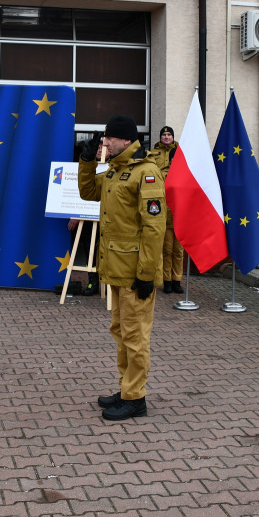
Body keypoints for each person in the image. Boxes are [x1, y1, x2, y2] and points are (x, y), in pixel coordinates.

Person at [78, 115, 166, 420]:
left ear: (125, 141)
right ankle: (126, 388)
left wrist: (145, 275)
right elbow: (88, 192)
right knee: (121, 331)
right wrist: (87, 161)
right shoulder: (116, 172)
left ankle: (136, 399)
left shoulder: (147, 173)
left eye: (108, 139)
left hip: (134, 273)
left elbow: (154, 228)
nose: (104, 143)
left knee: (135, 336)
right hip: (116, 269)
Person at [151, 125, 185, 294]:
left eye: (169, 134)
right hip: (162, 205)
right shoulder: (153, 154)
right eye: (163, 134)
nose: (166, 137)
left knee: (178, 250)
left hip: (178, 206)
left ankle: (177, 280)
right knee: (166, 248)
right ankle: (167, 281)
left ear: (173, 137)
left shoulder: (181, 152)